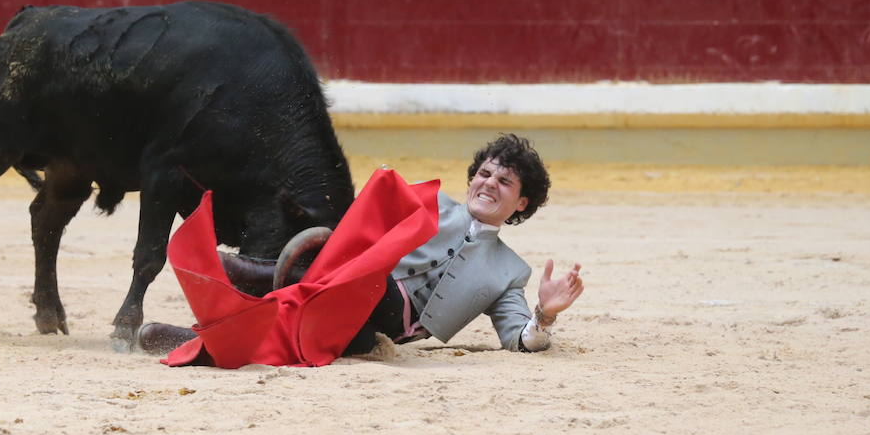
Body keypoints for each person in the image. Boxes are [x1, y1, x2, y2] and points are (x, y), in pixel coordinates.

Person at [138, 133, 584, 360]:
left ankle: (259, 273)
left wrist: (544, 313)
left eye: (504, 181)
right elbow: (365, 227)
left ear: (521, 202)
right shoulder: (428, 203)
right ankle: (198, 344)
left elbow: (519, 343)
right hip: (355, 296)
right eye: (485, 174)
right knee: (305, 336)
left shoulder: (509, 271)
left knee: (343, 289)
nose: (489, 184)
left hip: (391, 316)